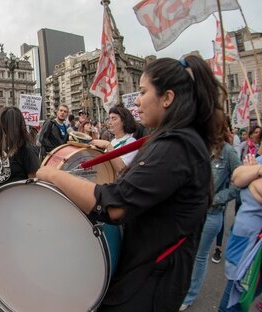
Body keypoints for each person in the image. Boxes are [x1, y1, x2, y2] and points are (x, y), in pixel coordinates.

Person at [36, 55, 224, 310]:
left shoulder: (177, 146)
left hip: (151, 281)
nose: (136, 100)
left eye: (144, 92)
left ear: (167, 98)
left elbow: (116, 206)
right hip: (150, 269)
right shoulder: (176, 140)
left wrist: (55, 175)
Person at [180, 119, 241, 311]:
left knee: (199, 256)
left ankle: (189, 296)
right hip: (191, 210)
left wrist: (217, 198)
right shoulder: (199, 147)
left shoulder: (228, 152)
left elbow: (239, 184)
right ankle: (182, 288)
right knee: (186, 252)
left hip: (212, 214)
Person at [218, 153, 262, 311]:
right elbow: (236, 178)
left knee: (232, 304)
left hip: (255, 254)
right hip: (241, 245)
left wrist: (251, 178)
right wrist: (258, 171)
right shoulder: (259, 161)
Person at [91, 105, 139, 173]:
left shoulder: (132, 143)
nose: (110, 123)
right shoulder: (113, 141)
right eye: (109, 119)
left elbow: (121, 169)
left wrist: (108, 145)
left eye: (114, 119)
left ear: (124, 121)